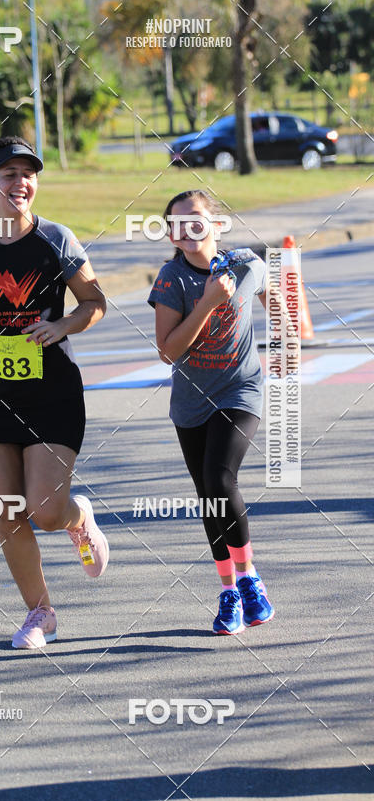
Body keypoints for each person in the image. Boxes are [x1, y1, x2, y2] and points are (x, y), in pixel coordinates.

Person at [0, 136, 109, 649]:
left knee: (45, 510)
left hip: (52, 388)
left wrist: (64, 326)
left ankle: (78, 519)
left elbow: (95, 301)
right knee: (7, 507)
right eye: (7, 175)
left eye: (27, 173)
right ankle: (40, 613)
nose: (20, 183)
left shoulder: (56, 238)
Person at [148, 189, 287, 635]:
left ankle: (249, 582)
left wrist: (280, 331)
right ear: (170, 231)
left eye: (196, 220)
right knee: (209, 493)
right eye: (177, 223)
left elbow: (274, 304)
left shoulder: (247, 265)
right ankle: (227, 591)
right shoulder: (171, 280)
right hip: (191, 403)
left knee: (221, 478)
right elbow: (168, 352)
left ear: (217, 224)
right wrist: (207, 302)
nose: (187, 229)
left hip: (240, 391)